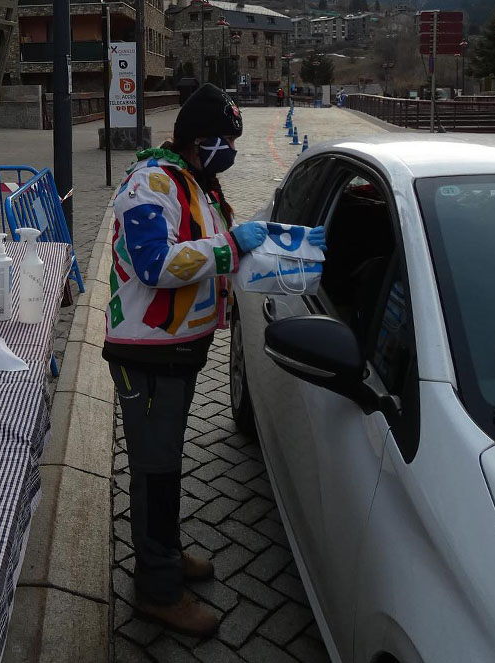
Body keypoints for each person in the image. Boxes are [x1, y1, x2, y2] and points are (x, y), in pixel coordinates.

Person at [103, 83, 324, 636]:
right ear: (200, 139)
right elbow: (156, 263)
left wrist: (282, 240)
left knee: (169, 464)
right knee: (155, 472)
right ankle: (156, 589)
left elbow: (218, 243)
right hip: (147, 352)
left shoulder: (195, 181)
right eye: (224, 139)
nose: (229, 148)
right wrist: (230, 247)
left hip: (176, 349)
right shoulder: (152, 184)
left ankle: (168, 557)